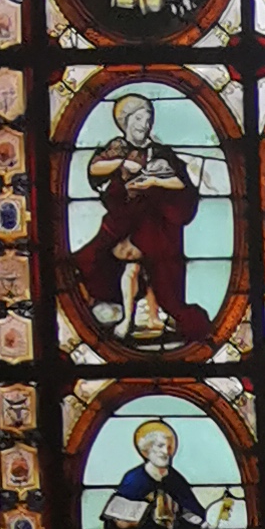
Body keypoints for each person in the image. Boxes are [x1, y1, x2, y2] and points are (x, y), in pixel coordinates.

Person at [66, 91, 203, 343]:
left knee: (151, 264)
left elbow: (181, 184)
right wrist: (121, 164)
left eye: (148, 118)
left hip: (155, 223)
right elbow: (95, 168)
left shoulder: (160, 152)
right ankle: (126, 315)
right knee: (99, 260)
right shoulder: (118, 147)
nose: (145, 124)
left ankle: (151, 316)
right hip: (123, 220)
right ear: (125, 122)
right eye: (139, 118)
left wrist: (153, 182)